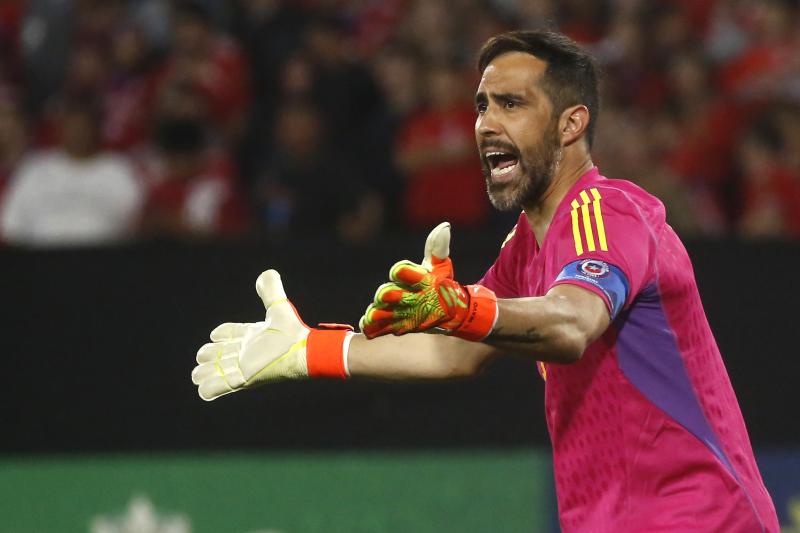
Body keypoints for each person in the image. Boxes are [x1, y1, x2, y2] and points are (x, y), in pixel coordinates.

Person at [191, 30, 779, 532]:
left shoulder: (607, 212)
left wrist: (461, 306)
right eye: (481, 106)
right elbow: (453, 352)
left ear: (572, 123)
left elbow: (572, 322)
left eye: (511, 105)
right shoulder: (527, 247)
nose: (485, 124)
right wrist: (308, 349)